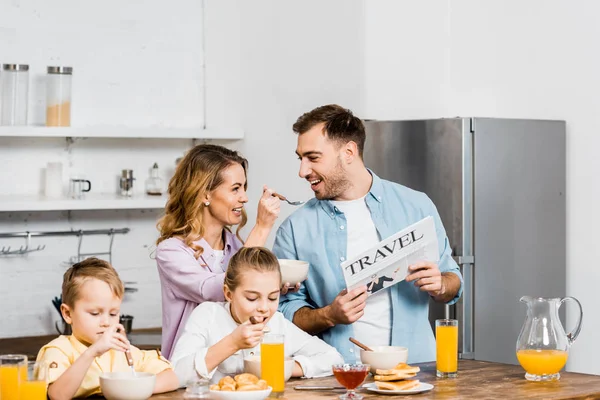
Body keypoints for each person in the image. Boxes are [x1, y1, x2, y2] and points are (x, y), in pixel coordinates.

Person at [273, 104, 463, 364]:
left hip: (417, 372)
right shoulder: (294, 229)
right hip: (337, 375)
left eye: (313, 158)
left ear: (349, 152)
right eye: (300, 158)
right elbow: (283, 311)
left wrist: (441, 284)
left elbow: (454, 281)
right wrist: (329, 315)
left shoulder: (417, 205)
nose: (302, 171)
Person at [155, 144, 283, 360]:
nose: (244, 198)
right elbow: (214, 289)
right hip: (189, 374)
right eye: (235, 189)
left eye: (244, 188)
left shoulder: (234, 245)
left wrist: (277, 287)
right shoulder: (171, 251)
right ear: (205, 194)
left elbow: (246, 297)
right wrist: (262, 227)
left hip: (233, 367)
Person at [170, 247, 343, 384]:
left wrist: (284, 368)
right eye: (252, 298)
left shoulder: (277, 323)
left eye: (273, 297)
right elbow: (176, 373)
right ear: (229, 294)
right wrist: (232, 343)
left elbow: (333, 358)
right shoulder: (207, 315)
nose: (264, 308)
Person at [36, 258, 179, 399]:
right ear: (67, 314)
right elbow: (57, 395)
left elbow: (171, 378)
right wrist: (92, 353)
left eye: (113, 313)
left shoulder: (122, 351)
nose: (106, 322)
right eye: (95, 313)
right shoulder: (58, 351)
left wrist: (128, 390)